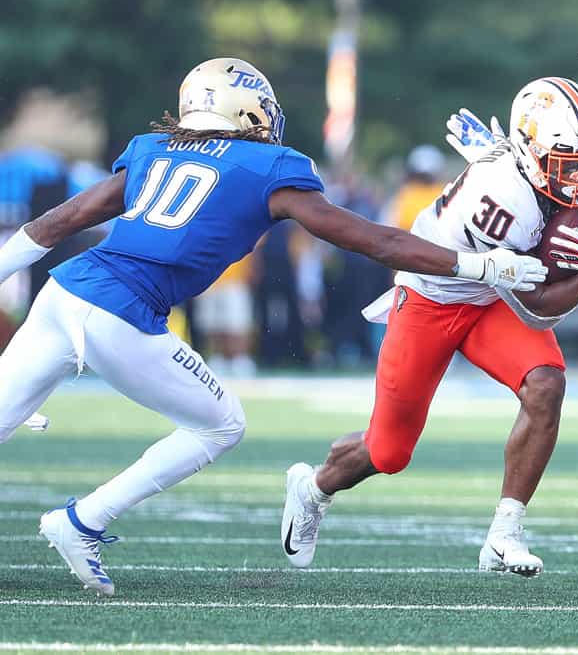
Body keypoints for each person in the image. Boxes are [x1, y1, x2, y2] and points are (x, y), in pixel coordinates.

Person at [0, 57, 546, 596]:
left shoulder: (150, 149)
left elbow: (57, 223)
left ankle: (80, 522)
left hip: (62, 293)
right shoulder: (270, 169)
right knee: (221, 425)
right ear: (247, 111)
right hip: (122, 310)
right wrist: (476, 264)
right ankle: (83, 521)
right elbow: (370, 240)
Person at [279, 77, 578, 577]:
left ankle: (504, 536)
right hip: (434, 296)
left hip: (491, 297)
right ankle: (314, 488)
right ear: (530, 152)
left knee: (546, 384)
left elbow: (548, 243)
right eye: (570, 164)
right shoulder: (503, 199)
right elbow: (538, 308)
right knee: (389, 450)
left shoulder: (538, 171)